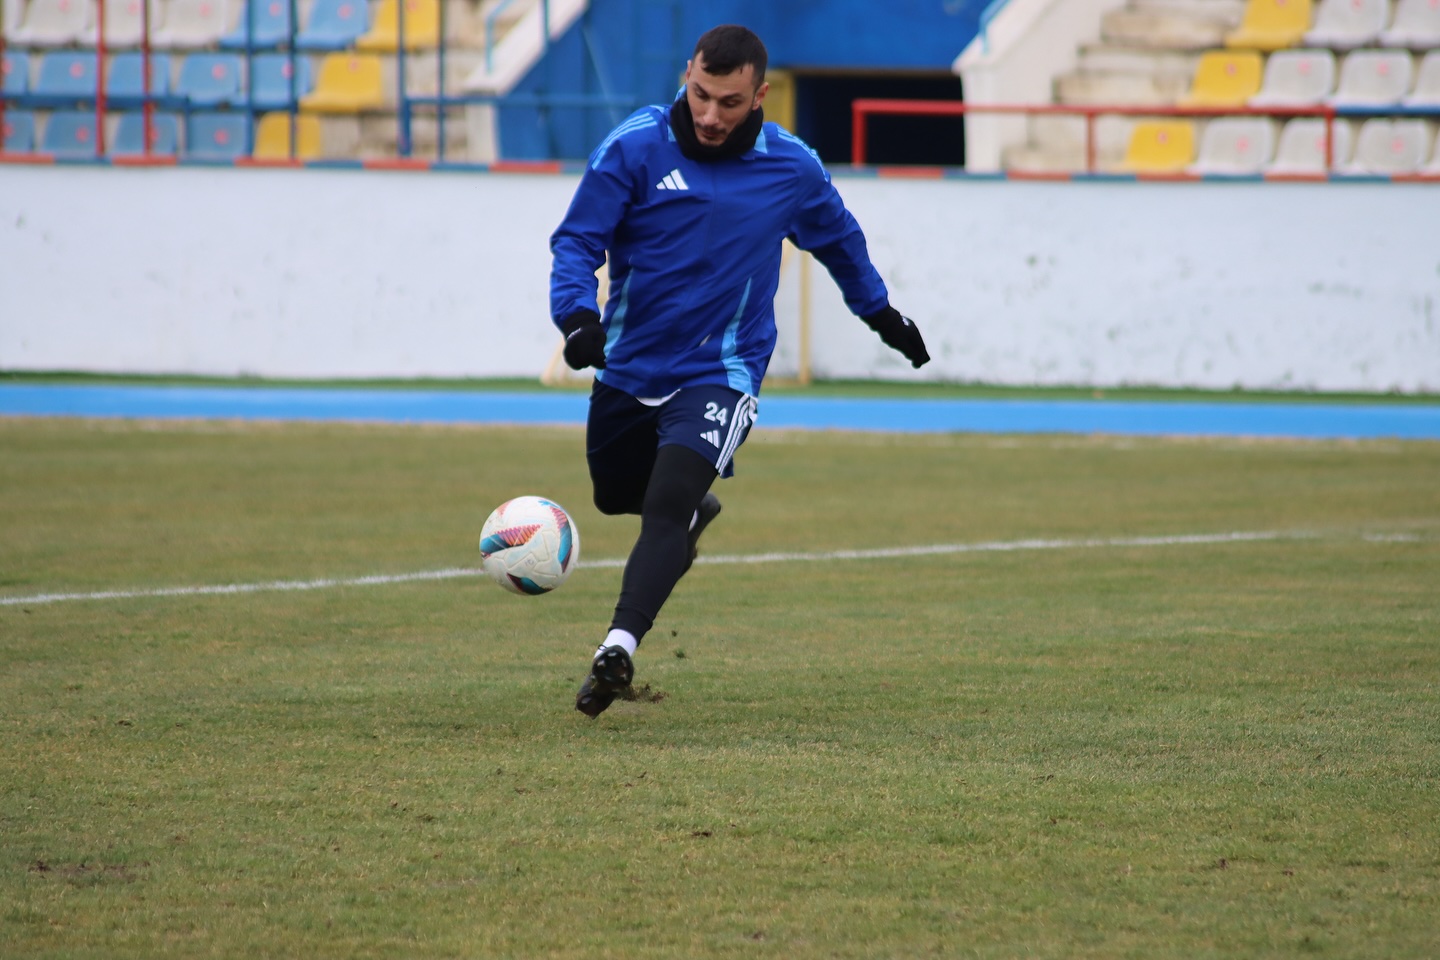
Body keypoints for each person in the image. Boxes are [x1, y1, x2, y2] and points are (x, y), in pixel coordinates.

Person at [550, 24, 931, 718]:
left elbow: (842, 244)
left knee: (667, 506)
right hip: (630, 366)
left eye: (729, 102)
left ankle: (619, 647)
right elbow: (577, 240)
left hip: (722, 371)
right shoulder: (632, 148)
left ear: (759, 95)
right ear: (688, 76)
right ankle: (691, 515)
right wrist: (577, 318)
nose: (709, 114)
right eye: (700, 94)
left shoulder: (791, 168)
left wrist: (882, 316)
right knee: (614, 495)